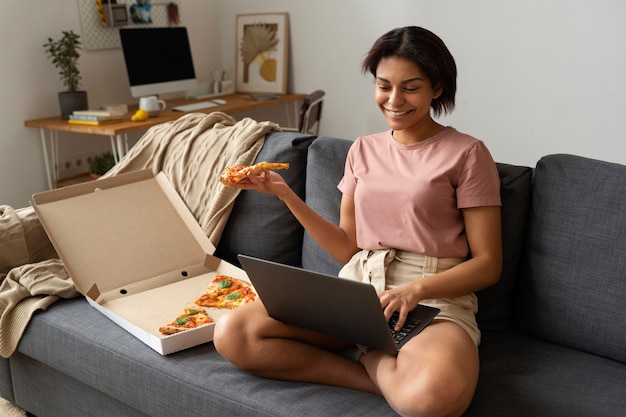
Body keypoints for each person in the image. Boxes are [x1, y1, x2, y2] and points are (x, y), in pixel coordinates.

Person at [213, 26, 502, 417]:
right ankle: (376, 371)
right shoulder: (363, 149)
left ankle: (370, 357)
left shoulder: (468, 153)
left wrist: (413, 290)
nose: (394, 100)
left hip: (431, 298)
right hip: (358, 292)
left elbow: (488, 264)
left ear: (437, 88)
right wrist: (285, 193)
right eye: (384, 86)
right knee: (234, 333)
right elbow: (349, 246)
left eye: (410, 87)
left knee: (432, 401)